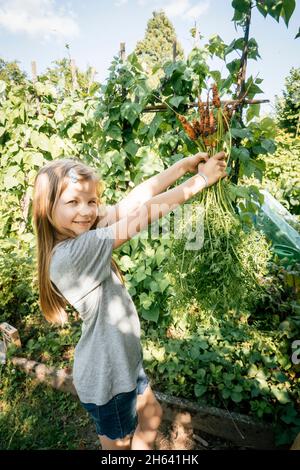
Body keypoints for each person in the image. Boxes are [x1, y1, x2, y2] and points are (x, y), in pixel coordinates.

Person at [32, 151, 226, 450]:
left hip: (123, 364)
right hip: (108, 380)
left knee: (152, 418)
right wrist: (200, 179)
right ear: (47, 208)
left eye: (92, 201)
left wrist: (180, 168)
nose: (86, 211)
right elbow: (142, 215)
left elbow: (131, 202)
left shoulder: (78, 233)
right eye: (73, 202)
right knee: (119, 447)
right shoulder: (72, 254)